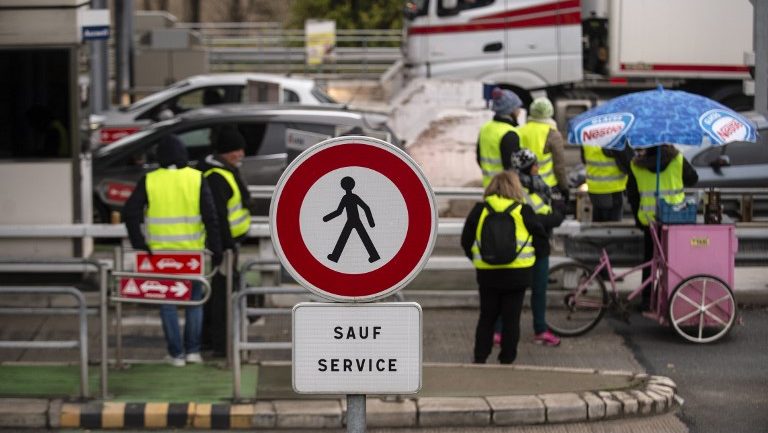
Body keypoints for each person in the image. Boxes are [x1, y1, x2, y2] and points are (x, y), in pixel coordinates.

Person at [123, 135, 222, 366]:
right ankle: (193, 351)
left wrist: (139, 242)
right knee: (194, 301)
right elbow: (210, 216)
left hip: (160, 255)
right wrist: (215, 248)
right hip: (192, 254)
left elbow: (130, 212)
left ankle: (175, 354)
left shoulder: (150, 180)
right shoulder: (196, 178)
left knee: (167, 303)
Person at [461, 171, 547, 364]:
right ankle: (507, 359)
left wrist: (476, 259)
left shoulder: (480, 209)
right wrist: (534, 261)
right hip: (518, 273)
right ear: (516, 187)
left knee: (487, 316)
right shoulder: (523, 210)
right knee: (512, 318)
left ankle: (480, 357)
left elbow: (466, 240)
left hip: (487, 273)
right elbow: (542, 241)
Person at [198, 126, 252, 358]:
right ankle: (218, 344)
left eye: (241, 149)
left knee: (220, 294)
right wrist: (225, 248)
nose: (240, 154)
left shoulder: (223, 170)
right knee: (220, 296)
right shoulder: (216, 177)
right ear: (224, 152)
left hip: (227, 246)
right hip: (222, 248)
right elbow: (218, 217)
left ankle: (212, 340)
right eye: (235, 150)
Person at [627, 144, 698, 311]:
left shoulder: (636, 165)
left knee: (650, 261)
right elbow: (693, 179)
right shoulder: (677, 159)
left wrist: (639, 219)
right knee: (673, 261)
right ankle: (672, 297)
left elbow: (632, 195)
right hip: (675, 218)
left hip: (649, 220)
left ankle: (647, 300)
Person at [511, 149, 565, 346]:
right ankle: (508, 331)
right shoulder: (519, 190)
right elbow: (535, 219)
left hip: (538, 246)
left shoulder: (539, 185)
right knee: (517, 291)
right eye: (534, 165)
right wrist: (557, 215)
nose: (538, 168)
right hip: (526, 247)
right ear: (526, 168)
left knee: (539, 291)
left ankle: (539, 329)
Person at [516, 97, 569, 200]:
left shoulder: (518, 131)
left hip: (522, 185)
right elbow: (559, 167)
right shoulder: (553, 134)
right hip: (546, 186)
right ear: (550, 112)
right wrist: (564, 188)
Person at [476, 87, 524, 187]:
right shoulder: (510, 133)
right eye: (517, 108)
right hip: (506, 190)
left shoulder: (485, 127)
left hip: (488, 187)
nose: (519, 111)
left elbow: (479, 159)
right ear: (511, 111)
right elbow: (512, 169)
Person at [581, 144, 633, 221]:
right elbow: (628, 161)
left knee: (598, 222)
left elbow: (584, 159)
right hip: (614, 188)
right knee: (613, 226)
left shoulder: (587, 136)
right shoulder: (615, 137)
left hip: (594, 188)